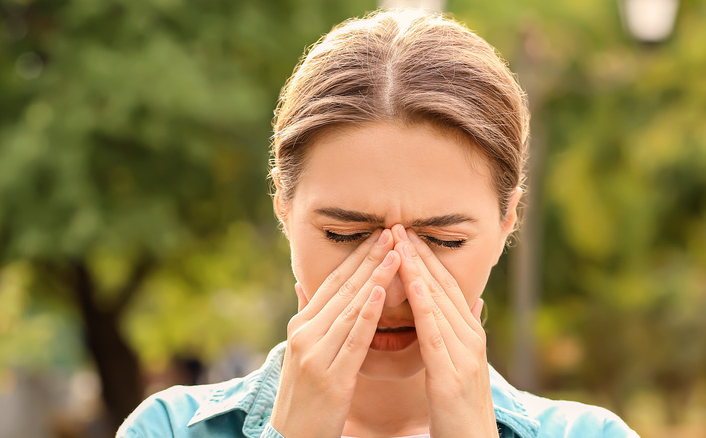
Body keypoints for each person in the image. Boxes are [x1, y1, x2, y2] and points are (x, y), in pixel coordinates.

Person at [118, 9, 639, 438]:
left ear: (507, 222)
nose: (392, 284)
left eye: (443, 240)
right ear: (284, 206)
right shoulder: (168, 429)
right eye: (345, 235)